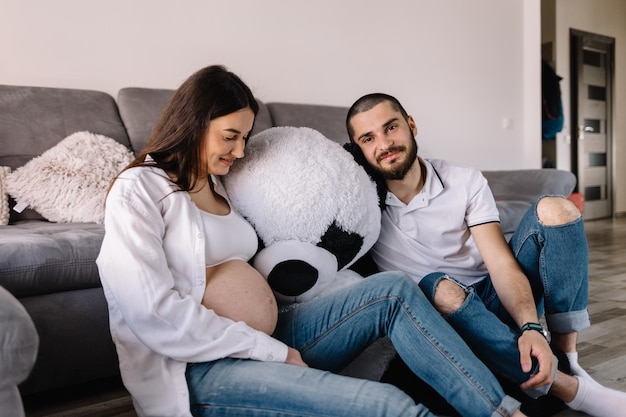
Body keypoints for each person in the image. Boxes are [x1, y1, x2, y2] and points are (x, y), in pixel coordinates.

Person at [96, 65, 528, 417]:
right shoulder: (138, 190)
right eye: (231, 136)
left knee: (395, 290)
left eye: (245, 138)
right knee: (391, 406)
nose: (241, 151)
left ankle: (502, 411)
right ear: (192, 122)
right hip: (201, 369)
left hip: (275, 339)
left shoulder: (221, 184)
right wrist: (271, 351)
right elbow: (153, 315)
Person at [345, 92, 626, 417]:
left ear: (411, 125)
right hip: (439, 315)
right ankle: (571, 388)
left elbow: (500, 262)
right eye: (368, 138)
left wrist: (531, 327)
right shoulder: (359, 204)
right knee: (436, 285)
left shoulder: (464, 180)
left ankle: (568, 360)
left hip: (493, 296)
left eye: (391, 127)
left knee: (557, 209)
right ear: (358, 150)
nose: (384, 144)